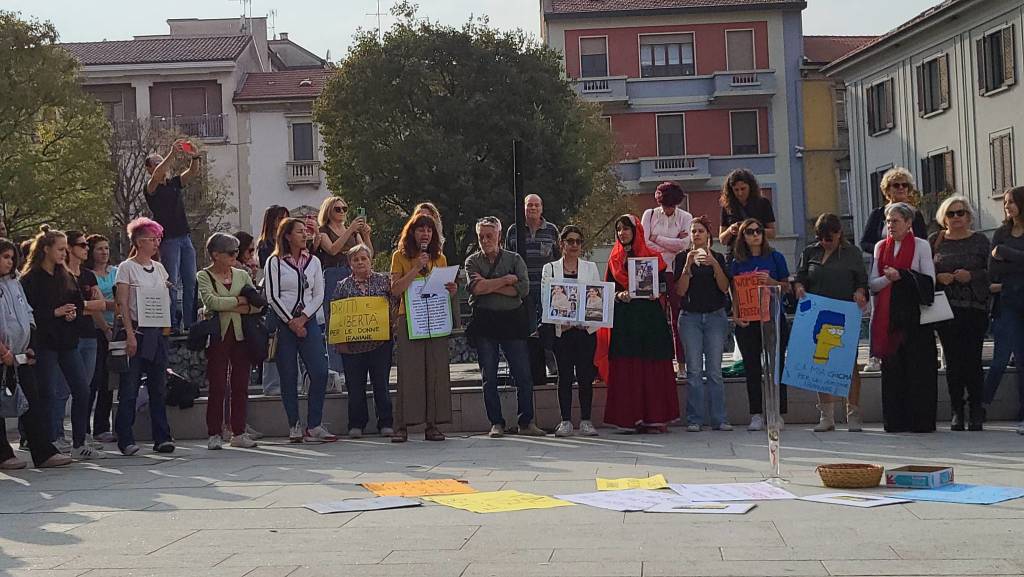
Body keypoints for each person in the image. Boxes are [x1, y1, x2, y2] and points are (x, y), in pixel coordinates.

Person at [20, 227, 102, 459]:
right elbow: (28, 313)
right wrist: (54, 312)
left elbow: (76, 301)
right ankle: (48, 442)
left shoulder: (65, 275)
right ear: (45, 249)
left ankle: (79, 441)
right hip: (44, 343)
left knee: (82, 389)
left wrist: (71, 314)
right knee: (47, 392)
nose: (63, 254)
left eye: (65, 249)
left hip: (67, 341)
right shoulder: (30, 279)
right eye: (59, 249)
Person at [467, 216, 545, 438]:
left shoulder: (514, 259)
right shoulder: (472, 262)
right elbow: (476, 289)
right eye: (481, 236)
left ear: (499, 236)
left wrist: (490, 285)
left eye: (489, 236)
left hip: (512, 322)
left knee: (523, 374)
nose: (485, 240)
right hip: (485, 323)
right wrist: (505, 281)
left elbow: (522, 289)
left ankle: (526, 421)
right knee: (489, 376)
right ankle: (496, 422)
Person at [601, 215, 679, 433]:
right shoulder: (614, 260)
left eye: (627, 229)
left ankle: (654, 418)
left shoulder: (654, 257)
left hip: (650, 320)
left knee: (651, 366)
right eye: (619, 229)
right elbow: (608, 292)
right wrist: (620, 296)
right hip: (625, 321)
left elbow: (666, 288)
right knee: (628, 367)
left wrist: (657, 293)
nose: (622, 233)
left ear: (637, 231)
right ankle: (629, 418)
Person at [0, 239, 73, 470]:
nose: (9, 262)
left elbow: (27, 313)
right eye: (4, 257)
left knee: (32, 401)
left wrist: (30, 342)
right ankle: (2, 453)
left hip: (21, 354)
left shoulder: (14, 282)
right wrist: (4, 352)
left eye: (12, 257)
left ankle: (43, 451)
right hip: (4, 355)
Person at [794, 214, 868, 432]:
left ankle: (853, 413)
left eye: (830, 237)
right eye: (821, 238)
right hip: (817, 314)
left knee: (850, 364)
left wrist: (860, 292)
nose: (826, 241)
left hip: (844, 312)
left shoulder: (852, 253)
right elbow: (801, 276)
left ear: (839, 233)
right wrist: (799, 287)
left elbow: (862, 281)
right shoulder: (810, 251)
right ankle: (826, 415)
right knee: (820, 363)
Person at [265, 218, 336, 443]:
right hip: (284, 324)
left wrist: (304, 318)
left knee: (320, 371)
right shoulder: (274, 262)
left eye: (305, 232)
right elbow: (272, 295)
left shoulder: (313, 261)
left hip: (309, 322)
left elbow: (318, 294)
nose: (304, 235)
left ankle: (314, 424)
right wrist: (290, 321)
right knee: (288, 375)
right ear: (287, 236)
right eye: (299, 232)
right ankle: (293, 423)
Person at [869, 203, 937, 433]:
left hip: (915, 318)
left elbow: (929, 281)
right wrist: (890, 279)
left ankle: (921, 421)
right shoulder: (880, 247)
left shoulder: (921, 246)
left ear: (909, 223)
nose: (891, 225)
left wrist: (902, 275)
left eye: (895, 221)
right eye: (888, 221)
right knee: (893, 371)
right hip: (890, 317)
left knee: (919, 370)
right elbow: (873, 283)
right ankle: (895, 420)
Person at [390, 214, 457, 442]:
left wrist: (451, 288)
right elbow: (396, 289)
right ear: (412, 233)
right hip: (409, 318)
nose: (425, 233)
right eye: (421, 229)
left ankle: (433, 424)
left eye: (429, 230)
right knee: (409, 373)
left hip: (434, 319)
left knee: (435, 371)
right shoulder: (399, 256)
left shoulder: (440, 258)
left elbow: (442, 288)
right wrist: (416, 267)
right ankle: (402, 425)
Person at [113, 218, 176, 455]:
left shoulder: (159, 268)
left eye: (158, 238)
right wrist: (129, 334)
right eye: (152, 239)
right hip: (138, 330)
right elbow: (123, 302)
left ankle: (162, 437)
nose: (156, 243)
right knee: (129, 388)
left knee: (158, 387)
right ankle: (125, 438)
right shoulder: (126, 268)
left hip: (157, 332)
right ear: (139, 242)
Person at [929, 196, 990, 431]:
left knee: (973, 360)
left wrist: (971, 275)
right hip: (946, 308)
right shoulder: (935, 240)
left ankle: (976, 409)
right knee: (953, 361)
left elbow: (991, 271)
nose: (956, 217)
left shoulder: (980, 240)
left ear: (969, 216)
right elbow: (925, 270)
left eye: (960, 213)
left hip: (975, 308)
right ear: (943, 218)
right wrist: (938, 278)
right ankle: (957, 410)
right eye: (951, 213)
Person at [859, 167, 928, 373]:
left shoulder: (915, 215)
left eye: (904, 185)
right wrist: (885, 250)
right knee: (878, 311)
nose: (900, 189)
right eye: (895, 185)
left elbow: (923, 241)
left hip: (910, 271)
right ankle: (875, 355)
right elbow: (865, 242)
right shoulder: (878, 214)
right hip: (883, 269)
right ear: (886, 190)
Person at [198, 233, 261, 450]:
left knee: (241, 384)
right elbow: (211, 301)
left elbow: (256, 305)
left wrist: (229, 304)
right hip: (218, 335)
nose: (236, 255)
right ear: (215, 255)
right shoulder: (204, 275)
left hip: (242, 334)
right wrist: (239, 301)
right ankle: (214, 432)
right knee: (217, 384)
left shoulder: (242, 275)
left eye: (237, 251)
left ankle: (239, 431)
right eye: (231, 252)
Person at [730, 218, 790, 432]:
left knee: (776, 367)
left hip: (772, 318)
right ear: (743, 236)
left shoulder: (776, 257)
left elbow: (787, 286)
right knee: (752, 368)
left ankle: (778, 413)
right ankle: (756, 413)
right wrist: (736, 315)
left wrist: (772, 283)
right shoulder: (737, 262)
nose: (755, 234)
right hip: (748, 321)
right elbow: (735, 291)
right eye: (749, 231)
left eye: (758, 231)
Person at [541, 225, 601, 437]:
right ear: (562, 244)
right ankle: (565, 420)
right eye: (570, 241)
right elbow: (546, 297)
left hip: (585, 331)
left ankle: (586, 420)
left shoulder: (590, 267)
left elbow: (596, 296)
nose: (574, 245)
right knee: (564, 376)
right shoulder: (550, 268)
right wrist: (561, 321)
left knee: (585, 376)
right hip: (562, 331)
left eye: (577, 241)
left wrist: (588, 319)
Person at [675, 216, 732, 432]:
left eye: (700, 231)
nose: (696, 234)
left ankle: (720, 418)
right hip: (691, 318)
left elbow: (724, 287)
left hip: (715, 317)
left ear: (708, 235)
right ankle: (695, 419)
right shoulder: (682, 258)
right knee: (694, 370)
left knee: (715, 371)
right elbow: (680, 291)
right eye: (693, 231)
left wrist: (714, 264)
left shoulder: (717, 257)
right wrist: (688, 265)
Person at [333, 244, 394, 438]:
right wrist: (339, 343)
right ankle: (356, 424)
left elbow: (393, 306)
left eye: (363, 258)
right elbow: (334, 315)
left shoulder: (384, 281)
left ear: (370, 261)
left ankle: (385, 422)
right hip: (352, 347)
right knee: (355, 386)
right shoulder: (342, 286)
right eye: (355, 259)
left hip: (379, 343)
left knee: (381, 384)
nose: (360, 262)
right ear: (350, 263)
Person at [144, 141, 201, 333]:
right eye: (157, 162)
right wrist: (170, 154)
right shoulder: (151, 188)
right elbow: (160, 172)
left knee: (190, 281)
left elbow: (191, 173)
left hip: (184, 236)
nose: (162, 165)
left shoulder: (174, 183)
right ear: (150, 168)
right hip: (168, 239)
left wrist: (195, 156)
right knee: (172, 282)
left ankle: (190, 322)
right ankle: (172, 323)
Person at [505, 194, 561, 384]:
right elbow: (508, 259)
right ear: (524, 208)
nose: (533, 209)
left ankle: (552, 364)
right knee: (528, 331)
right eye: (529, 205)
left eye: (536, 205)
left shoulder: (552, 230)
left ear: (542, 208)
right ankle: (530, 370)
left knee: (548, 329)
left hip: (547, 289)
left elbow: (558, 258)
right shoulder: (514, 231)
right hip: (523, 291)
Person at [642, 182, 694, 378]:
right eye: (665, 205)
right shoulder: (650, 214)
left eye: (672, 205)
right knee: (653, 316)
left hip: (676, 270)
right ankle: (655, 363)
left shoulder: (686, 217)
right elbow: (645, 243)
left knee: (677, 318)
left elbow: (685, 244)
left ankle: (681, 363)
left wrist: (658, 238)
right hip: (652, 270)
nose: (668, 209)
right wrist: (670, 243)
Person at [63, 230, 109, 448]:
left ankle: (82, 436)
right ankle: (60, 437)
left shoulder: (88, 275)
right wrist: (86, 306)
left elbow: (101, 304)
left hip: (90, 336)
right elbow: (69, 306)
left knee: (86, 388)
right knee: (64, 390)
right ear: (70, 248)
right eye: (82, 245)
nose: (86, 249)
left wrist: (84, 306)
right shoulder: (61, 274)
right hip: (69, 337)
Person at [317, 196, 372, 376]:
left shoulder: (353, 232)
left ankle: (358, 364)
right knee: (335, 320)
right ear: (328, 212)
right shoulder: (323, 230)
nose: (342, 212)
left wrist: (365, 235)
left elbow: (368, 253)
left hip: (352, 273)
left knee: (355, 317)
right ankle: (336, 368)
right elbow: (332, 249)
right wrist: (349, 231)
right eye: (337, 209)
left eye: (344, 208)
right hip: (333, 273)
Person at [986, 186, 1024, 435]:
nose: (1006, 206)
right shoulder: (1001, 232)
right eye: (1005, 202)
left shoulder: (1003, 243)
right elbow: (992, 270)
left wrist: (1005, 253)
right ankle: (981, 403)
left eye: (1011, 202)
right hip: (1007, 303)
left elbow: (1001, 258)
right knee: (1001, 357)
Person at [85, 234, 118, 443]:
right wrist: (105, 326)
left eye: (106, 248)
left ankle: (102, 426)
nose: (104, 252)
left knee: (108, 380)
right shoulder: (88, 275)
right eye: (99, 249)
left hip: (117, 329)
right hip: (96, 330)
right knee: (92, 380)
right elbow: (93, 304)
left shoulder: (116, 272)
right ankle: (84, 429)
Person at [256, 205, 290, 396]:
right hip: (273, 298)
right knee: (272, 341)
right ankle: (270, 383)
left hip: (291, 298)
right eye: (280, 219)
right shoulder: (265, 244)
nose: (283, 222)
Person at [718, 169, 776, 250]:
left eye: (743, 188)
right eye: (736, 190)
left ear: (750, 187)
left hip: (758, 253)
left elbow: (772, 233)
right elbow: (722, 240)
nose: (740, 193)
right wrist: (730, 230)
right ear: (731, 190)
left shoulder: (763, 203)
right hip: (735, 254)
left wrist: (752, 230)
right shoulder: (727, 206)